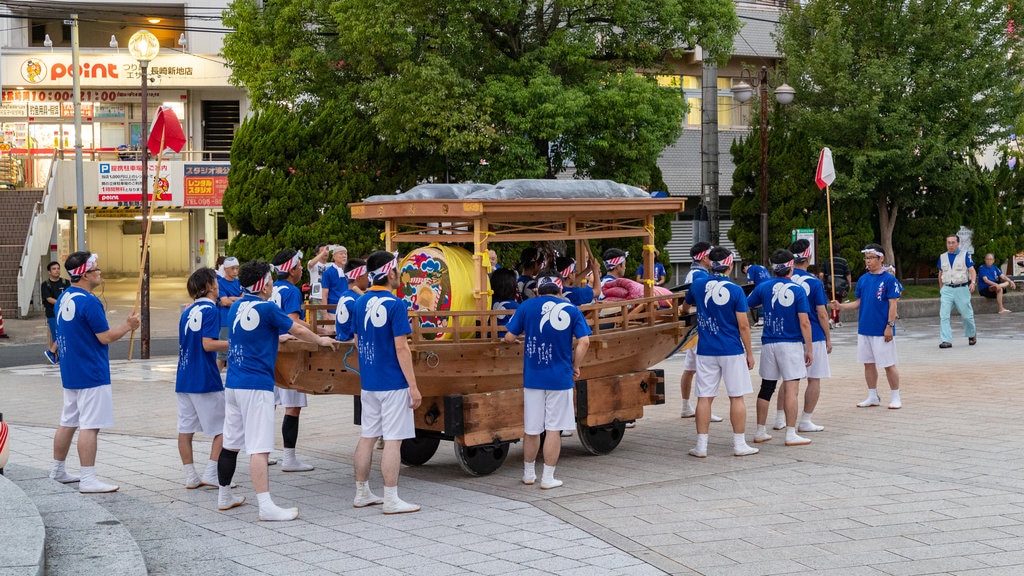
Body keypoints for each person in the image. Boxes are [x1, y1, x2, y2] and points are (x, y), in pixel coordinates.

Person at [217, 260, 339, 520]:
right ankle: (266, 506)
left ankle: (224, 495)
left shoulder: (238, 306)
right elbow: (295, 328)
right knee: (259, 448)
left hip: (234, 384)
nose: (273, 284)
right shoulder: (267, 308)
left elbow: (255, 333)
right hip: (256, 385)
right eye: (269, 280)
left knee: (231, 443)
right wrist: (320, 339)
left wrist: (276, 336)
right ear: (262, 284)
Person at [50, 251, 140, 493]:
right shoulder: (89, 302)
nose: (100, 271)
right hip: (91, 370)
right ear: (84, 274)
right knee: (90, 425)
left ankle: (57, 469)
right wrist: (128, 326)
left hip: (71, 370)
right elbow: (105, 337)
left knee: (67, 421)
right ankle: (88, 478)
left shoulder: (63, 298)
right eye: (95, 268)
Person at [503, 270, 592, 487]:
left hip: (532, 377)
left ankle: (528, 474)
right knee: (554, 428)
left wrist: (515, 340)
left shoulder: (526, 307)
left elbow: (509, 337)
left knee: (532, 429)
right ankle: (548, 478)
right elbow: (585, 342)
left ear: (537, 289)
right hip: (560, 378)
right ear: (560, 287)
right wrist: (576, 365)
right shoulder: (571, 309)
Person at [352, 251, 423, 514]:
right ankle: (391, 498)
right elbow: (401, 347)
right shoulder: (395, 305)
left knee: (367, 436)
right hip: (393, 382)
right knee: (394, 440)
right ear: (390, 272)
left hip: (369, 382)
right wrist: (413, 386)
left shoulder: (359, 303)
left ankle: (361, 492)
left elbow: (357, 341)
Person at [681, 247, 759, 457]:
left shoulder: (698, 285)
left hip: (706, 349)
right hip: (731, 349)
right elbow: (744, 325)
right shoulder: (735, 290)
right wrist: (749, 352)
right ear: (730, 264)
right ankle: (739, 444)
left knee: (704, 397)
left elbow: (685, 308)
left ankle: (701, 445)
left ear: (710, 262)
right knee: (736, 396)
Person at [747, 249, 813, 447]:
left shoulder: (764, 287)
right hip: (791, 343)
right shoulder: (797, 290)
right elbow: (805, 322)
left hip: (769, 342)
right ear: (790, 266)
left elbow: (747, 304)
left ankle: (760, 430)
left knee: (766, 387)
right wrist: (809, 348)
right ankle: (791, 433)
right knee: (791, 389)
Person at [175, 267, 230, 489]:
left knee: (185, 429)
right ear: (209, 286)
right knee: (225, 427)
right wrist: (234, 344)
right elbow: (208, 344)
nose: (218, 285)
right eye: (215, 281)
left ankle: (191, 476)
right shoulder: (210, 311)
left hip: (184, 377)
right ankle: (212, 472)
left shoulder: (186, 312)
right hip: (204, 377)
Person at [831, 244, 902, 409]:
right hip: (864, 328)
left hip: (881, 328)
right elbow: (858, 303)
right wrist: (840, 307)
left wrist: (889, 326)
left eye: (871, 258)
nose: (868, 261)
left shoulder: (889, 279)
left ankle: (896, 396)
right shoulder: (863, 279)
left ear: (881, 259)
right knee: (868, 363)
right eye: (867, 258)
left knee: (888, 363)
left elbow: (893, 305)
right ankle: (872, 395)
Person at [269, 249, 315, 472]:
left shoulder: (270, 288)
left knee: (269, 405)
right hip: (289, 351)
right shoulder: (292, 291)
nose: (300, 270)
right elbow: (293, 322)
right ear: (291, 270)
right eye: (298, 266)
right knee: (292, 407)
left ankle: (264, 451)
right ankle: (289, 458)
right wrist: (318, 330)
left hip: (269, 350)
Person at [785, 240, 832, 434]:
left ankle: (781, 418)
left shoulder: (783, 278)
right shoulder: (814, 282)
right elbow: (822, 313)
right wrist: (829, 337)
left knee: (789, 379)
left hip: (789, 334)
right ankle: (805, 419)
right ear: (809, 256)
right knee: (814, 378)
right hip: (813, 334)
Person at [679, 242, 721, 422]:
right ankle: (704, 408)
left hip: (693, 323)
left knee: (690, 369)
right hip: (700, 325)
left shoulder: (693, 273)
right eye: (711, 255)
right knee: (704, 370)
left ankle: (686, 406)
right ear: (704, 258)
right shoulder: (701, 276)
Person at [937, 233, 977, 348]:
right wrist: (941, 289)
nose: (951, 245)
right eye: (948, 242)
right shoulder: (942, 257)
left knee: (966, 315)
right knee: (944, 315)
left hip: (962, 289)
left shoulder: (965, 255)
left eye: (953, 242)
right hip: (947, 289)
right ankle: (946, 340)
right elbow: (940, 273)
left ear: (958, 243)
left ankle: (971, 334)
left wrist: (973, 283)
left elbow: (972, 271)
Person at [41, 260, 70, 365]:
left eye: (58, 268)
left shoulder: (65, 282)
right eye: (54, 269)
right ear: (49, 272)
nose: (57, 271)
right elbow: (48, 299)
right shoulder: (45, 284)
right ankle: (55, 355)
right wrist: (62, 303)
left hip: (66, 314)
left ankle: (54, 354)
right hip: (53, 314)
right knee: (57, 335)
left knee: (65, 334)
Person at [216, 256, 242, 370]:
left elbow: (244, 298)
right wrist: (238, 299)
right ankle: (214, 381)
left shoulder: (239, 283)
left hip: (238, 320)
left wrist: (232, 299)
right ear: (225, 269)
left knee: (235, 353)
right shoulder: (220, 283)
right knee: (222, 355)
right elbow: (224, 301)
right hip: (225, 321)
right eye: (232, 269)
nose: (235, 271)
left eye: (237, 268)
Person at [334, 258, 368, 342]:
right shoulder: (358, 299)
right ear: (358, 278)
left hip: (342, 339)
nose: (368, 279)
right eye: (367, 276)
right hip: (352, 343)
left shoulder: (344, 295)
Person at [818, 251, 852, 327]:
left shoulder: (826, 261)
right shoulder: (843, 261)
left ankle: (837, 321)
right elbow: (848, 274)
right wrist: (849, 284)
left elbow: (821, 274)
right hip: (840, 286)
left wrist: (822, 282)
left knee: (833, 302)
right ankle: (832, 319)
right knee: (838, 303)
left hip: (829, 285)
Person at [320, 245, 349, 319]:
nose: (344, 256)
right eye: (341, 254)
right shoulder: (328, 273)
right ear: (334, 256)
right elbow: (324, 294)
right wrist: (325, 313)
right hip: (332, 310)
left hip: (347, 307)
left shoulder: (349, 272)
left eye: (345, 254)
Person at [306, 244, 331, 328]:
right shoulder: (313, 263)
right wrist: (323, 252)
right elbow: (311, 264)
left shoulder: (331, 265)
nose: (325, 252)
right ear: (317, 253)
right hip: (316, 296)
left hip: (328, 297)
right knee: (317, 323)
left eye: (327, 250)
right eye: (322, 250)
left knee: (329, 323)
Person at [742, 261, 770, 327]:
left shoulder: (750, 269)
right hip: (770, 285)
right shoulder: (761, 267)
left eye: (744, 272)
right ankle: (765, 319)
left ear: (745, 267)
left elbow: (751, 283)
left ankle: (760, 320)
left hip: (761, 286)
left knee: (748, 301)